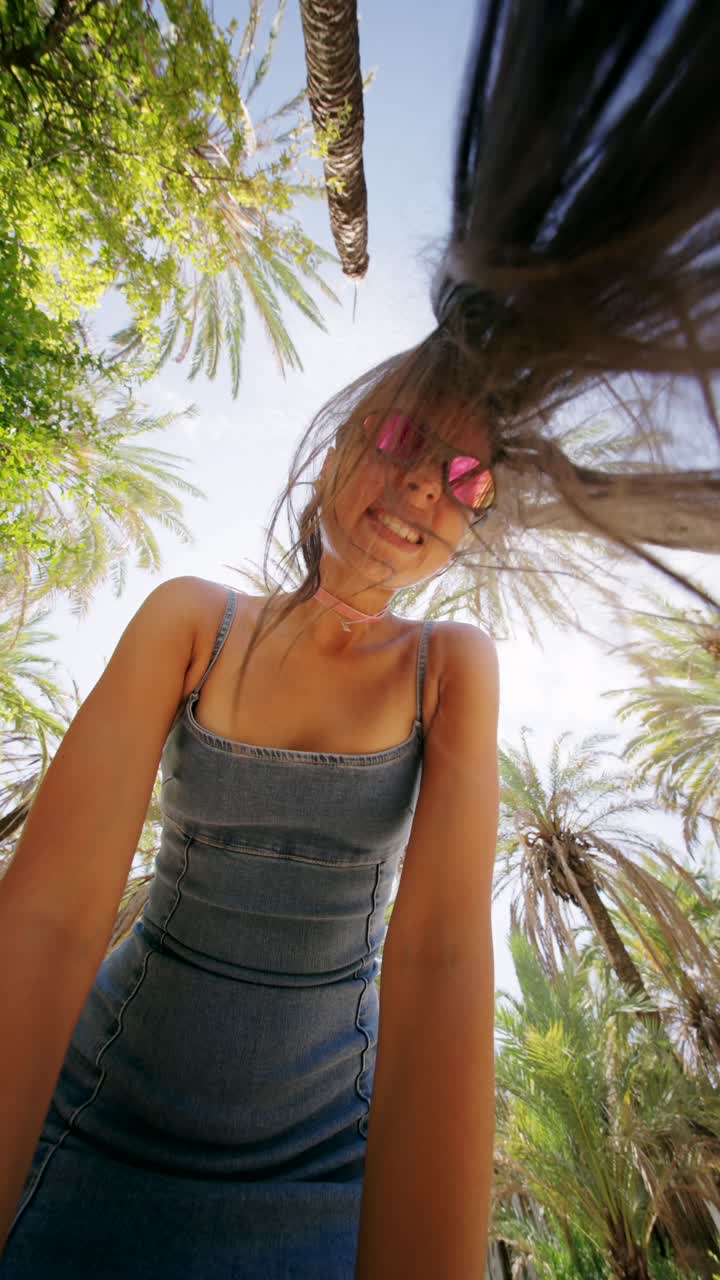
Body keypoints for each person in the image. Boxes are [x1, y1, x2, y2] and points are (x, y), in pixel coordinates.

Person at [0, 347, 501, 1277]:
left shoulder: (453, 666)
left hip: (329, 1156)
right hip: (97, 1112)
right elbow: (52, 917)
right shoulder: (195, 621)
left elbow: (441, 954)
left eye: (469, 479)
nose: (429, 487)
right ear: (335, 450)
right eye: (405, 439)